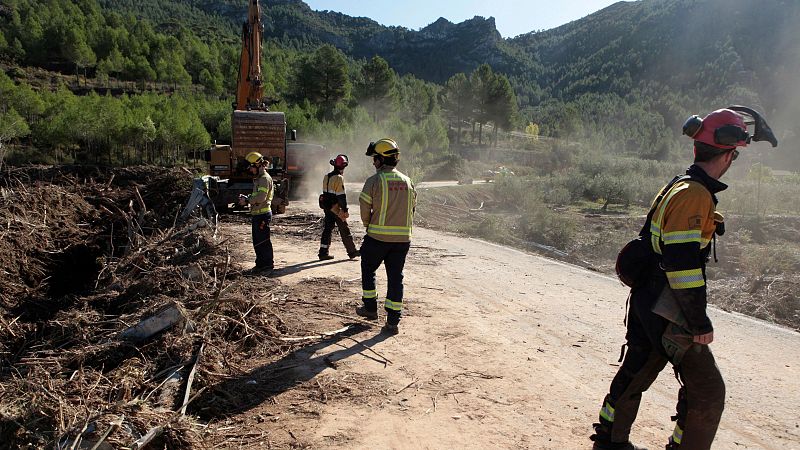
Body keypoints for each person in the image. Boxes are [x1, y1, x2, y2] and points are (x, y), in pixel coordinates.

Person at [591, 106, 778, 450]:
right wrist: (697, 321)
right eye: (735, 155)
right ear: (728, 155)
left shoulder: (680, 185)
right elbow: (682, 265)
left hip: (647, 297)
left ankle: (609, 439)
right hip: (667, 305)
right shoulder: (695, 195)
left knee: (638, 369)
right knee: (707, 389)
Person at [355, 138, 417, 335]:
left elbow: (364, 208)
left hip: (377, 238)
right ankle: (392, 322)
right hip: (402, 240)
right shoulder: (408, 182)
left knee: (368, 268)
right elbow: (412, 209)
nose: (373, 162)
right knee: (396, 278)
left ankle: (370, 308)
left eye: (375, 158)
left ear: (381, 159)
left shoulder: (374, 181)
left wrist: (368, 225)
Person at [318, 154, 360, 260]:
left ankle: (323, 252)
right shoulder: (339, 178)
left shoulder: (326, 176)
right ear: (343, 166)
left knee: (327, 229)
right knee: (344, 229)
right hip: (335, 208)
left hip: (327, 206)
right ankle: (352, 252)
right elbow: (341, 197)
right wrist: (344, 210)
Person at [239, 152, 274, 274]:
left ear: (258, 165)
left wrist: (247, 200)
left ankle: (267, 265)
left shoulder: (264, 179)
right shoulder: (259, 178)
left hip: (262, 215)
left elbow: (261, 198)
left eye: (251, 167)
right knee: (258, 242)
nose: (250, 170)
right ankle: (260, 264)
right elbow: (257, 195)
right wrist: (248, 198)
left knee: (263, 241)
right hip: (258, 214)